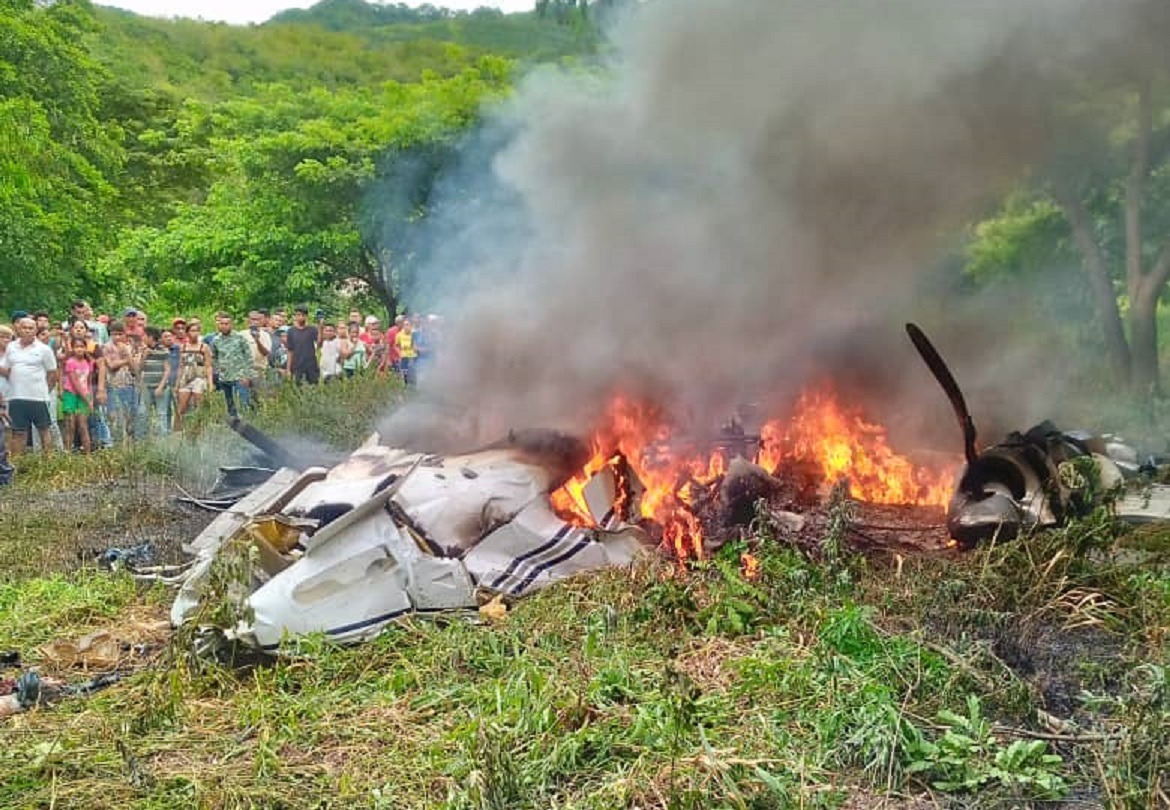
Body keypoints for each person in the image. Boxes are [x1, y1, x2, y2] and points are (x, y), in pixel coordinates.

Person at [0, 317, 58, 455]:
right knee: (18, 432)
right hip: (16, 396)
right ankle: (17, 465)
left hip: (38, 397)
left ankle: (49, 463)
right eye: (24, 327)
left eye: (30, 328)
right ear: (18, 329)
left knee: (44, 429)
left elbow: (52, 373)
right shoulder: (11, 347)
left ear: (35, 330)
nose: (27, 331)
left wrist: (46, 390)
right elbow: (7, 370)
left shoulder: (44, 349)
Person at [210, 312, 254, 418]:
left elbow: (249, 357)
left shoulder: (239, 338)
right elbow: (214, 357)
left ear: (231, 324)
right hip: (224, 377)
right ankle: (234, 426)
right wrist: (218, 370)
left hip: (240, 376)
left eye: (227, 323)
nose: (224, 326)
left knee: (243, 403)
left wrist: (247, 375)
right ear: (218, 325)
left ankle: (248, 425)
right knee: (229, 405)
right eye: (222, 324)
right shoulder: (216, 340)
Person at [103, 321, 140, 442]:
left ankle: (129, 442)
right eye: (114, 334)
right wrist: (126, 359)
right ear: (110, 334)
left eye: (120, 334)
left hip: (128, 384)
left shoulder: (127, 347)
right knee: (114, 416)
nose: (117, 337)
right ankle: (116, 441)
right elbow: (111, 365)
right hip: (113, 384)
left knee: (130, 414)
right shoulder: (107, 347)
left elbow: (134, 369)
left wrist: (128, 357)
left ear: (124, 334)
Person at [174, 320, 213, 430]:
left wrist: (210, 384)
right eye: (192, 331)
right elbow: (181, 366)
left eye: (197, 331)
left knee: (199, 406)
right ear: (187, 333)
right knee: (181, 407)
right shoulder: (183, 347)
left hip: (199, 377)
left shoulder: (204, 347)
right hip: (186, 377)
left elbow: (209, 366)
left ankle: (198, 430)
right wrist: (177, 383)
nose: (195, 333)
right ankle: (177, 431)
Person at [61, 336, 94, 453]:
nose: (79, 349)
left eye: (81, 346)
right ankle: (68, 453)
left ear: (85, 348)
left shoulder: (89, 362)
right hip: (71, 394)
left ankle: (88, 453)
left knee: (83, 425)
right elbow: (75, 382)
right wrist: (87, 400)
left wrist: (89, 397)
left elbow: (89, 382)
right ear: (73, 348)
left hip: (84, 396)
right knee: (70, 425)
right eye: (76, 347)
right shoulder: (70, 362)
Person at [138, 326, 172, 437]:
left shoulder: (163, 350)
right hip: (146, 387)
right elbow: (139, 369)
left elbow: (167, 370)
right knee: (143, 413)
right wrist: (144, 356)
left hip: (160, 387)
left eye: (145, 336)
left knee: (161, 414)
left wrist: (161, 387)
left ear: (150, 337)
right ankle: (143, 438)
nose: (143, 338)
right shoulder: (143, 350)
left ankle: (163, 440)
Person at [285, 306, 320, 384]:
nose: (300, 317)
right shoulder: (291, 331)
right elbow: (290, 351)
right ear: (295, 316)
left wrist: (321, 327)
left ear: (306, 316)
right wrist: (288, 369)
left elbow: (319, 343)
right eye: (298, 315)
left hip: (311, 367)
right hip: (297, 367)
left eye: (303, 315)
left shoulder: (312, 330)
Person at [0, 325, 14, 484]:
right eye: (2, 337)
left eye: (8, 337)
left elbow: (14, 374)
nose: (5, 341)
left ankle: (6, 469)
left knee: (8, 429)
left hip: (10, 394)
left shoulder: (13, 355)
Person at [394, 318, 417, 387]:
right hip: (403, 356)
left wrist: (415, 349)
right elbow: (396, 346)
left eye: (408, 325)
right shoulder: (399, 335)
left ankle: (413, 385)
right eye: (405, 325)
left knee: (412, 370)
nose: (406, 326)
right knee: (404, 372)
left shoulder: (413, 334)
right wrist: (399, 353)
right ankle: (405, 386)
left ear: (411, 326)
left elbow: (414, 344)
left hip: (412, 355)